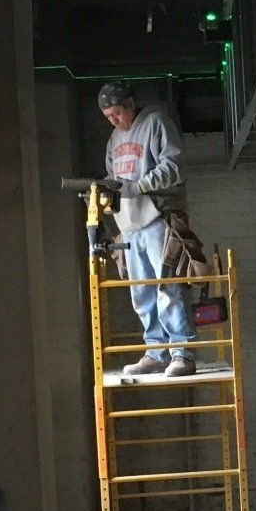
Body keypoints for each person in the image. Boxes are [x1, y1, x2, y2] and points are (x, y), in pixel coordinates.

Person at [97, 82, 196, 379]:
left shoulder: (155, 122)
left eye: (116, 114)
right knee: (141, 292)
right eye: (108, 117)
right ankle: (156, 351)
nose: (114, 121)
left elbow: (174, 165)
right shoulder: (114, 139)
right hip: (130, 225)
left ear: (129, 104)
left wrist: (140, 185)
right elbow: (113, 176)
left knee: (168, 286)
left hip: (157, 217)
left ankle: (182, 352)